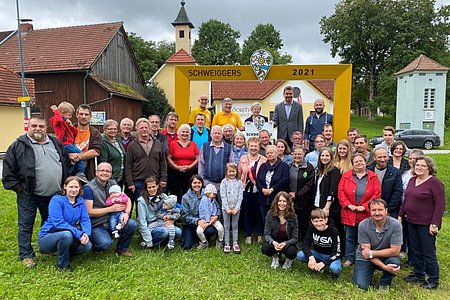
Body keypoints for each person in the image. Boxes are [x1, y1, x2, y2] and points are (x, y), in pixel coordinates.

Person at [2, 116, 69, 268]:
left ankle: (48, 247)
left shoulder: (55, 143)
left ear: (46, 128)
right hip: (29, 194)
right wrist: (21, 188)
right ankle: (26, 255)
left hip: (54, 194)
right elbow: (8, 172)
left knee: (51, 222)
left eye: (41, 126)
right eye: (34, 126)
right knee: (26, 224)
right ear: (28, 127)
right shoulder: (18, 146)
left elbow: (65, 162)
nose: (38, 129)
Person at [399, 156, 445, 290]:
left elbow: (440, 205)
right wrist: (401, 215)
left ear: (429, 168)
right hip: (411, 221)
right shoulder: (413, 180)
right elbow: (406, 200)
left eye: (422, 166)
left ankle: (433, 279)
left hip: (427, 224)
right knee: (415, 250)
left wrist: (435, 223)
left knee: (428, 251)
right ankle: (419, 274)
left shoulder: (435, 183)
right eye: (417, 165)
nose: (419, 167)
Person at [38, 176, 91, 272]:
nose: (74, 190)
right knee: (66, 235)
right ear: (65, 187)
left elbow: (85, 219)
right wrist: (79, 234)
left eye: (76, 187)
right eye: (71, 187)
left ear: (80, 188)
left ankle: (67, 253)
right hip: (49, 235)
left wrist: (85, 234)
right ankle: (63, 265)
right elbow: (59, 223)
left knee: (87, 246)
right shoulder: (57, 200)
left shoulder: (80, 201)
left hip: (70, 232)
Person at [83, 162, 137, 256]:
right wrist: (111, 209)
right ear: (96, 172)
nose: (105, 173)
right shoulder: (89, 188)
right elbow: (89, 212)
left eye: (107, 171)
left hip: (114, 219)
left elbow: (127, 199)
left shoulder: (113, 183)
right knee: (105, 243)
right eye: (102, 170)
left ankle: (121, 249)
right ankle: (95, 245)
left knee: (132, 224)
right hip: (97, 224)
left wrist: (127, 214)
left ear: (111, 174)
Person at [338, 153, 381, 267]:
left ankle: (364, 258)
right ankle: (349, 258)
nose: (359, 163)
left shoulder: (373, 176)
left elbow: (377, 193)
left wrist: (366, 206)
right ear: (352, 164)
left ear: (365, 162)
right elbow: (341, 192)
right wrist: (348, 205)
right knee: (349, 237)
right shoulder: (346, 176)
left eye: (361, 161)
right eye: (356, 161)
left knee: (365, 237)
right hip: (349, 212)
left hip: (365, 213)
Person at [352, 199, 402, 291]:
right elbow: (366, 254)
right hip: (365, 258)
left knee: (394, 262)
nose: (377, 213)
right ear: (370, 212)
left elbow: (395, 251)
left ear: (386, 211)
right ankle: (367, 274)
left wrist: (372, 253)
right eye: (374, 210)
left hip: (385, 256)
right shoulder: (363, 225)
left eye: (380, 210)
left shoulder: (396, 225)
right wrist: (384, 267)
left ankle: (384, 284)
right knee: (360, 286)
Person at [125, 118, 167, 216]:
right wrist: (130, 182)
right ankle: (142, 226)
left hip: (154, 180)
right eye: (141, 128)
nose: (144, 129)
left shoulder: (158, 143)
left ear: (149, 129)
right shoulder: (132, 145)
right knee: (141, 204)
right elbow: (128, 165)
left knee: (154, 205)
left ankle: (153, 226)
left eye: (146, 127)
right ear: (137, 129)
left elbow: (163, 163)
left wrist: (163, 178)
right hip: (138, 181)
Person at [136, 177, 181, 249]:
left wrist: (172, 219)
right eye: (149, 187)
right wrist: (148, 241)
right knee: (164, 232)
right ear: (146, 188)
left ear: (157, 186)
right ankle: (149, 243)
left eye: (153, 186)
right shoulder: (142, 201)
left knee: (178, 232)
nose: (152, 189)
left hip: (162, 221)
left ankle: (164, 242)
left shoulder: (163, 196)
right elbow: (142, 222)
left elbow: (174, 209)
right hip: (150, 225)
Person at [297, 208, 342, 278]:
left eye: (321, 220)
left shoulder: (334, 231)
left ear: (326, 220)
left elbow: (337, 252)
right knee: (300, 255)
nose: (319, 224)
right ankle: (316, 266)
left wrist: (324, 263)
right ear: (312, 221)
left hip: (330, 255)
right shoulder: (311, 228)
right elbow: (305, 244)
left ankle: (332, 272)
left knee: (335, 268)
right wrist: (310, 257)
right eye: (316, 221)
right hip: (317, 254)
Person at [238, 137, 267, 245]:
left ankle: (260, 234)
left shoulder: (264, 159)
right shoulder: (243, 158)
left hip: (259, 190)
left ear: (259, 147)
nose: (253, 148)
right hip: (246, 189)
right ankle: (249, 235)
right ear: (248, 147)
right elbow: (239, 173)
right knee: (247, 212)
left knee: (259, 212)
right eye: (251, 146)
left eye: (256, 146)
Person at [49, 102, 87, 182]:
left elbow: (75, 132)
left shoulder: (65, 123)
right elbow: (58, 119)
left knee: (74, 159)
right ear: (62, 113)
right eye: (69, 115)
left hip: (69, 143)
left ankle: (70, 173)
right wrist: (56, 111)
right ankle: (81, 172)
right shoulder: (56, 121)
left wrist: (70, 125)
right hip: (65, 144)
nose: (70, 117)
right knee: (80, 154)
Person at [261, 192, 298, 269]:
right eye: (280, 201)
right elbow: (266, 234)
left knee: (292, 252)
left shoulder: (293, 216)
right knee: (265, 248)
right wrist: (273, 242)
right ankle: (275, 257)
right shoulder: (270, 214)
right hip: (275, 242)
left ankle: (289, 260)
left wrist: (285, 244)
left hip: (287, 243)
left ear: (288, 203)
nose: (282, 203)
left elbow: (295, 238)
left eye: (284, 201)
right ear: (276, 202)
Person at [181, 175, 219, 250]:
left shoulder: (209, 193)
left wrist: (216, 216)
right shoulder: (185, 197)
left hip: (206, 223)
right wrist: (197, 221)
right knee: (187, 246)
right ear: (191, 184)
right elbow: (184, 216)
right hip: (191, 225)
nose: (197, 185)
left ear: (202, 184)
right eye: (194, 183)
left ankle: (203, 239)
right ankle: (194, 237)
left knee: (211, 231)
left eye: (199, 183)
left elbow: (217, 207)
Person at [314, 148, 343, 243]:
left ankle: (337, 248)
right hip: (319, 203)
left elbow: (333, 190)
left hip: (329, 207)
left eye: (327, 156)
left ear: (331, 157)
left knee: (332, 228)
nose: (324, 158)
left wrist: (327, 206)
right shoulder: (319, 171)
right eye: (322, 155)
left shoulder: (334, 171)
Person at [256, 145, 290, 226]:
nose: (269, 154)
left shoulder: (283, 166)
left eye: (271, 153)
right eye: (267, 153)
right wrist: (263, 189)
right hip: (263, 197)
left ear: (276, 153)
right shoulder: (263, 166)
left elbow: (285, 179)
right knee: (265, 218)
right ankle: (267, 235)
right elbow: (258, 180)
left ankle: (277, 236)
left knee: (277, 219)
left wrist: (272, 189)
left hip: (277, 197)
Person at [198, 125, 233, 201]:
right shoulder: (205, 146)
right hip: (208, 182)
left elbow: (231, 165)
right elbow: (201, 164)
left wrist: (229, 180)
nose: (217, 135)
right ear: (211, 134)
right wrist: (202, 180)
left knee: (223, 205)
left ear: (222, 135)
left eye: (219, 133)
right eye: (215, 133)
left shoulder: (228, 147)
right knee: (209, 205)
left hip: (224, 183)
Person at [167, 124, 199, 200]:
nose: (185, 134)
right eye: (183, 132)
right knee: (175, 194)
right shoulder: (173, 144)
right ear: (179, 133)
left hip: (190, 173)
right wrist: (177, 167)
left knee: (188, 194)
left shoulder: (193, 144)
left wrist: (190, 167)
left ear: (190, 134)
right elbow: (168, 158)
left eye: (187, 132)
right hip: (175, 174)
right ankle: (176, 211)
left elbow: (198, 158)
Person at [288, 146, 314, 241]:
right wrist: (289, 194)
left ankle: (304, 242)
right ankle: (292, 240)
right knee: (292, 222)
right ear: (292, 155)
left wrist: (297, 194)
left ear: (304, 155)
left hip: (304, 201)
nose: (297, 156)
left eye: (299, 154)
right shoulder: (289, 166)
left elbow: (309, 184)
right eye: (295, 154)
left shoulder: (309, 167)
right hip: (290, 200)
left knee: (304, 223)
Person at [368, 147, 403, 218]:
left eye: (384, 156)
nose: (382, 159)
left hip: (390, 211)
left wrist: (387, 209)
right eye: (379, 157)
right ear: (374, 158)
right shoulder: (368, 171)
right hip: (371, 210)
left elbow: (398, 192)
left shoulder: (395, 172)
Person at [73, 104, 102, 181]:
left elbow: (96, 151)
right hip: (71, 168)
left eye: (86, 114)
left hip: (88, 170)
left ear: (90, 116)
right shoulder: (70, 129)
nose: (83, 117)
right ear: (76, 115)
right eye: (81, 114)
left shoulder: (95, 132)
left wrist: (78, 157)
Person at [220, 163, 243, 254]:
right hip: (226, 208)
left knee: (234, 225)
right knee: (226, 226)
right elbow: (223, 195)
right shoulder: (224, 182)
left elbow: (240, 196)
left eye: (233, 171)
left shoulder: (239, 182)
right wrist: (227, 208)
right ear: (226, 172)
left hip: (236, 208)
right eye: (230, 171)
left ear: (236, 172)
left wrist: (237, 208)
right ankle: (227, 243)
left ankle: (235, 243)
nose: (232, 173)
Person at [99, 119, 126, 187]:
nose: (113, 131)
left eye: (115, 129)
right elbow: (103, 161)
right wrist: (109, 177)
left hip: (120, 178)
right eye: (110, 129)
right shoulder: (103, 143)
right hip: (110, 179)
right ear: (105, 130)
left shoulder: (118, 141)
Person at [197, 184, 225, 250]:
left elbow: (216, 208)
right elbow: (204, 210)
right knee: (199, 231)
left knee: (220, 228)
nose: (214, 196)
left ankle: (220, 240)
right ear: (208, 193)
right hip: (204, 220)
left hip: (213, 218)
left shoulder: (213, 201)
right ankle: (204, 242)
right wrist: (208, 222)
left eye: (215, 194)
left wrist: (215, 216)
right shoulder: (204, 200)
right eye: (213, 194)